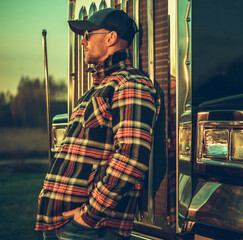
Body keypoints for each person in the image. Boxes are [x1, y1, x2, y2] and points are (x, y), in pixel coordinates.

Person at [35, 8, 160, 240]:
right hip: (67, 223)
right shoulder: (97, 89)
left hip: (92, 229)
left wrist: (89, 215)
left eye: (88, 34)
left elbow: (131, 159)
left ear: (111, 38)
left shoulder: (131, 84)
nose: (83, 42)